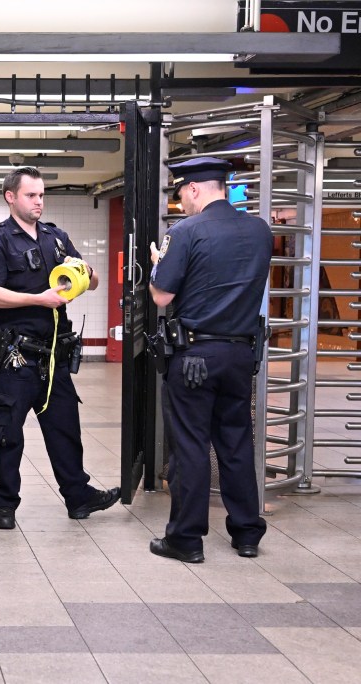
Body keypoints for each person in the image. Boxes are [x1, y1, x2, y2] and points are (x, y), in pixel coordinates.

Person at [0, 166, 120, 530]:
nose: (39, 201)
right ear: (11, 197)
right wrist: (38, 299)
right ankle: (5, 505)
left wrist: (85, 271)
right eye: (31, 195)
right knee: (7, 433)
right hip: (16, 357)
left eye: (41, 195)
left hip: (54, 356)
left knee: (65, 429)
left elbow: (94, 279)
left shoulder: (56, 238)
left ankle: (78, 497)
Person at [148, 156, 271, 563]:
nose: (181, 201)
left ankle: (185, 539)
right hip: (241, 354)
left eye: (182, 193)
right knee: (236, 444)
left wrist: (158, 268)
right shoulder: (259, 231)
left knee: (190, 446)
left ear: (196, 189)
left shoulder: (186, 231)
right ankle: (247, 534)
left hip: (195, 357)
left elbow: (162, 296)